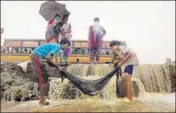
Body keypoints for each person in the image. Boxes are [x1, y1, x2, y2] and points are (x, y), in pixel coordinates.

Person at [30, 39, 71, 106]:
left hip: (36, 57)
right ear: (62, 44)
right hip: (36, 57)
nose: (66, 48)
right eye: (66, 46)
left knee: (44, 78)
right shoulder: (58, 47)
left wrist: (55, 66)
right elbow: (48, 58)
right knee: (44, 78)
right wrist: (57, 67)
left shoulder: (56, 46)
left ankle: (42, 100)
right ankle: (41, 101)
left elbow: (48, 60)